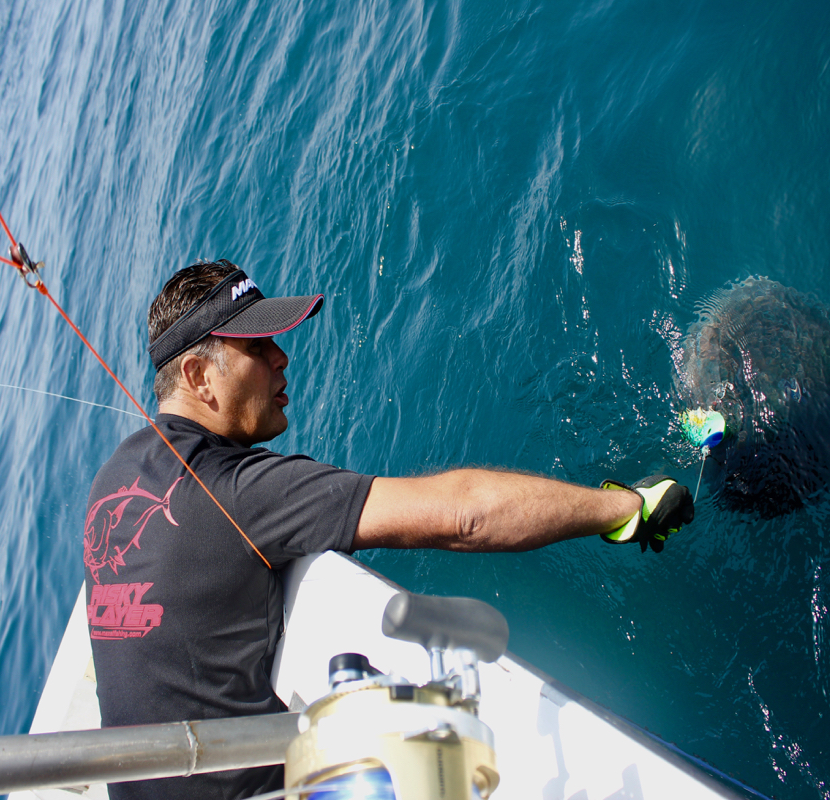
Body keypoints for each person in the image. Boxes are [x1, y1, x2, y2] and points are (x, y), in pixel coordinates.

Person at [83, 260, 694, 800]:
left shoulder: (111, 480)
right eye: (256, 346)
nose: (281, 357)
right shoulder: (235, 491)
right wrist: (626, 508)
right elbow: (464, 515)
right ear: (196, 376)